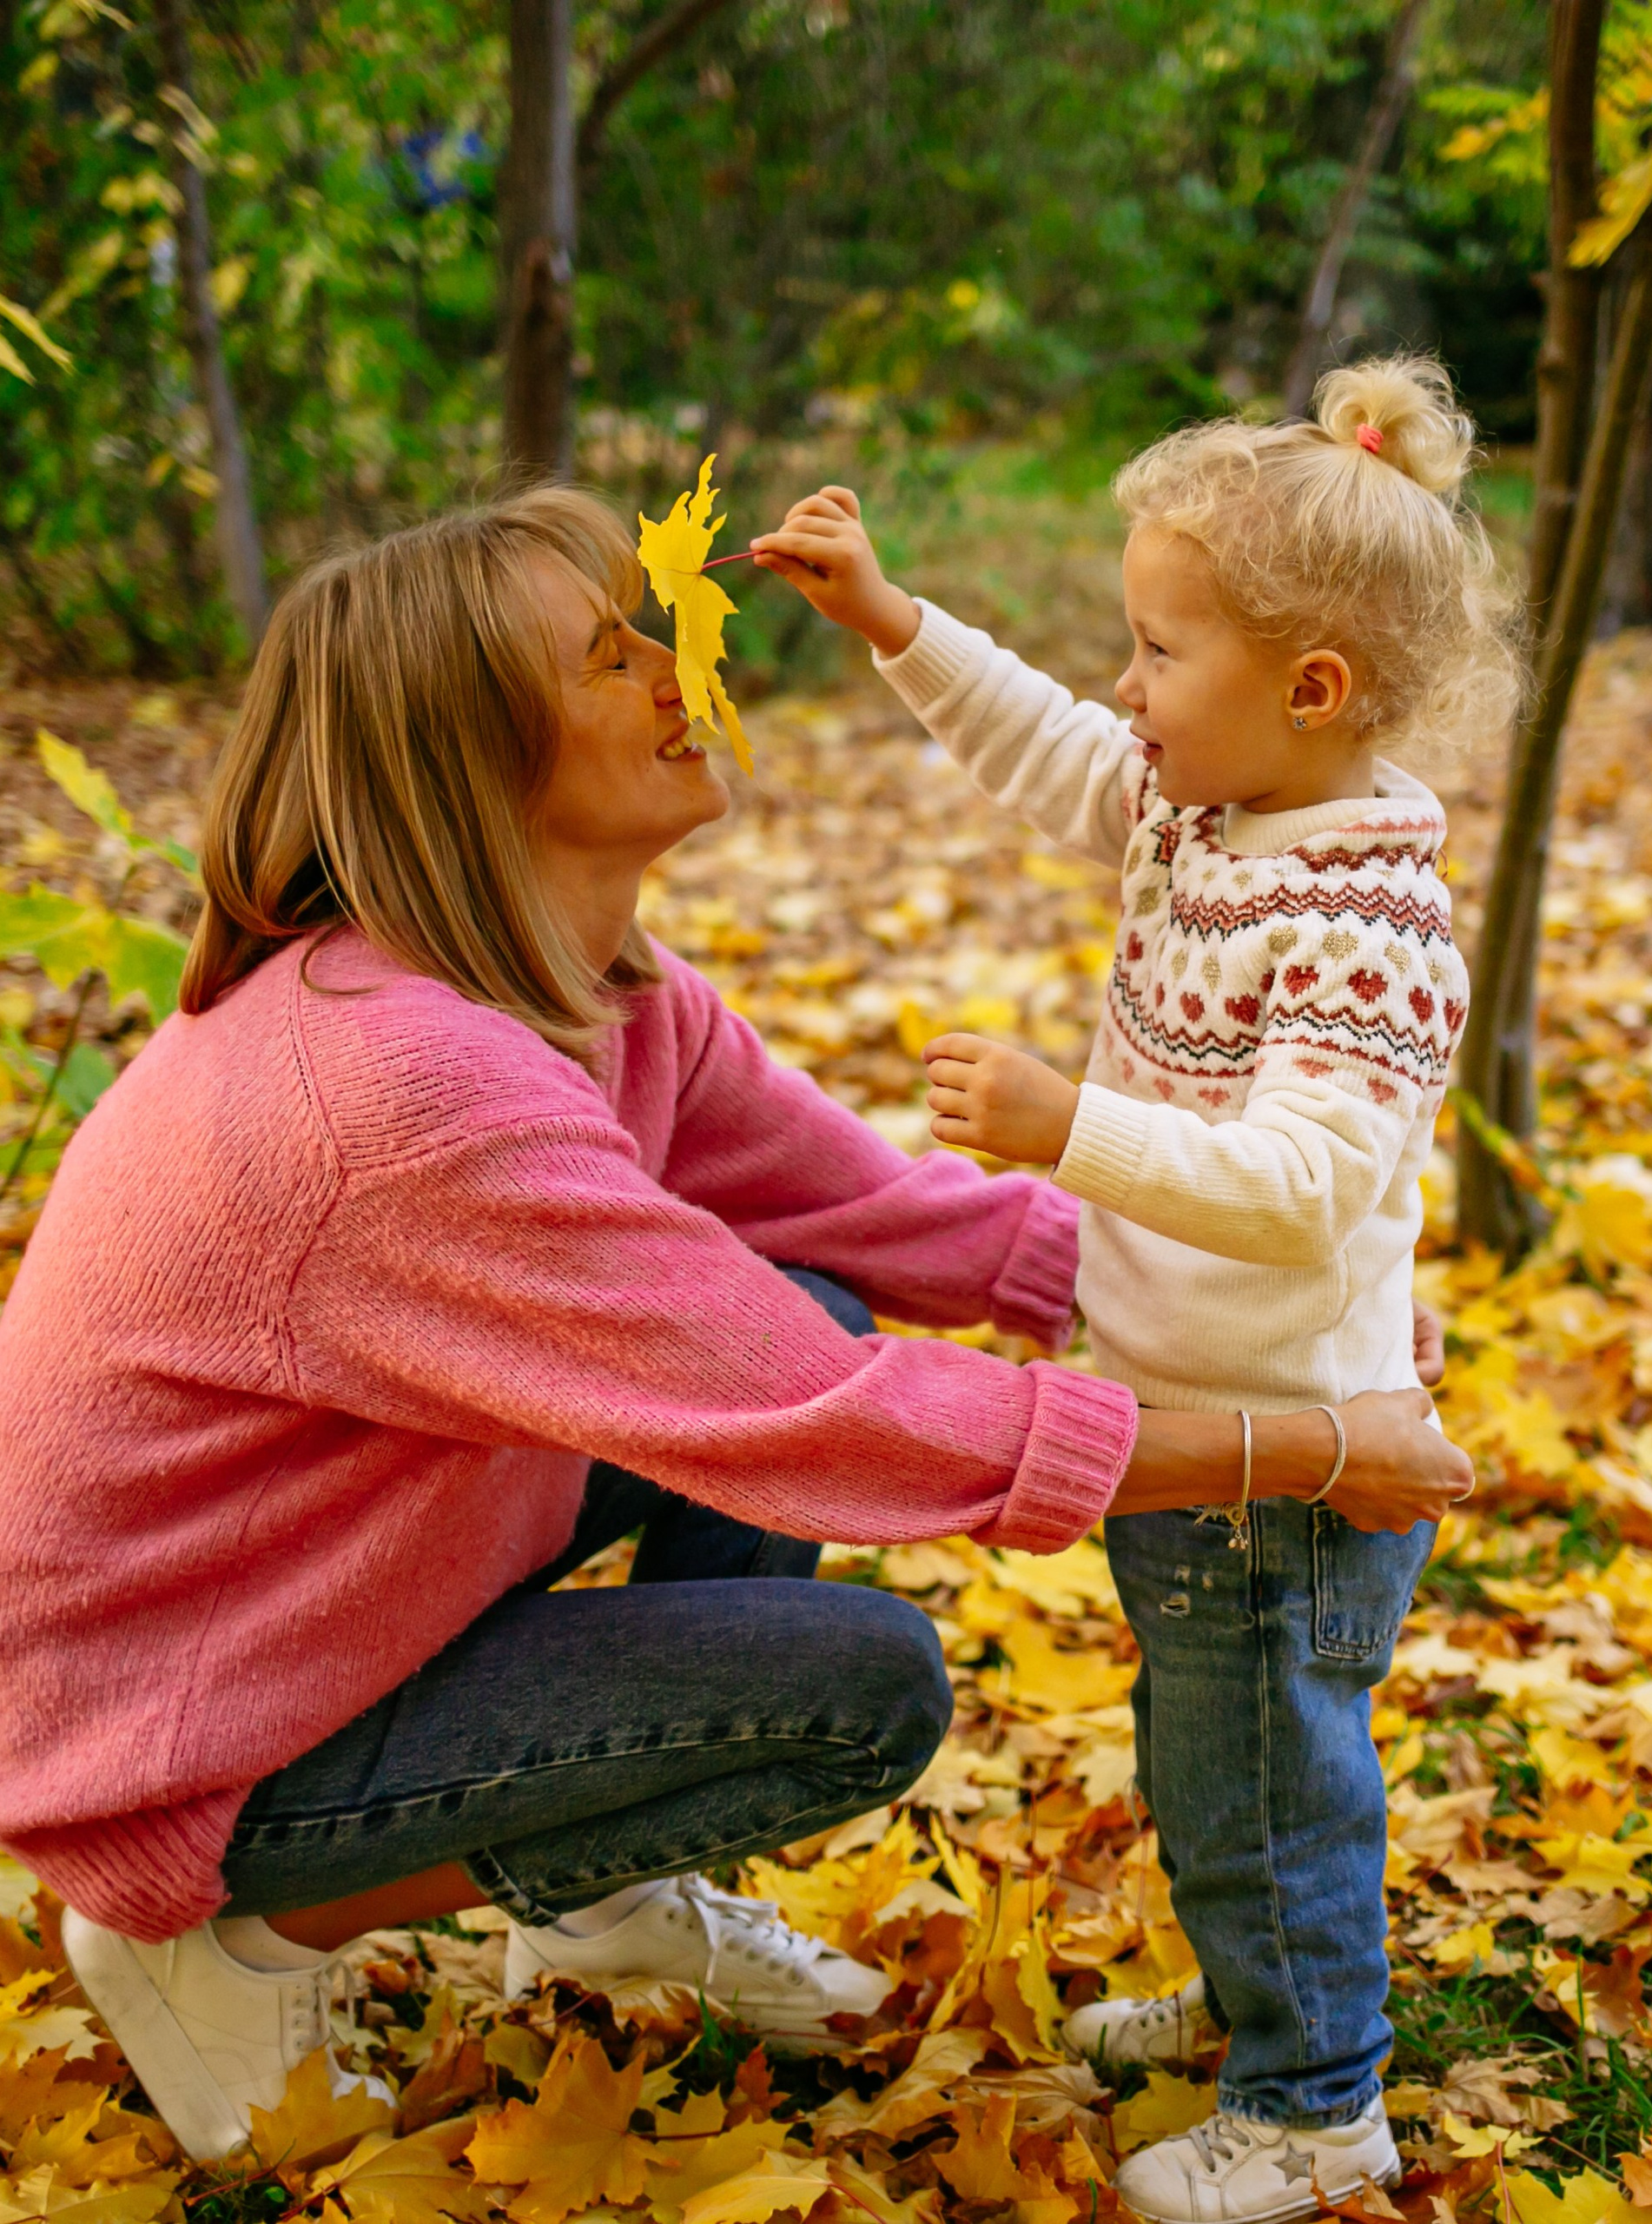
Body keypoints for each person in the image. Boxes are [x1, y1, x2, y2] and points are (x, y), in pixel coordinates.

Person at [0, 487, 1473, 2167]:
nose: (675, 665)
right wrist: (1307, 1447)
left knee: (812, 1284)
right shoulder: (405, 1091)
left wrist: (1269, 1305)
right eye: (605, 654)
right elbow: (823, 1417)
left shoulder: (598, 992)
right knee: (858, 1690)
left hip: (324, 1579)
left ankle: (596, 1887)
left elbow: (876, 1219)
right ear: (469, 760)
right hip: (181, 1727)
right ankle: (240, 1932)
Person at [750, 356, 1515, 2224]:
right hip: (1181, 1399)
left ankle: (1315, 2094)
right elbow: (1045, 747)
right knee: (1212, 1752)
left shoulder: (1362, 924)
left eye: (1160, 653)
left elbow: (1301, 1188)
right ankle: (1256, 1984)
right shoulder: (1207, 810)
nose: (1124, 686)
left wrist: (1059, 1124)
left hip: (1283, 1458)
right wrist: (894, 622)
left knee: (1265, 1764)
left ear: (1309, 689)